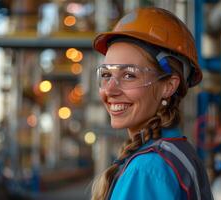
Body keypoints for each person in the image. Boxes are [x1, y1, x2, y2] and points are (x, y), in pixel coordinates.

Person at [91, 7, 213, 200]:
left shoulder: (147, 169)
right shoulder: (180, 153)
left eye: (129, 75)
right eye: (106, 75)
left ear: (169, 86)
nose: (110, 90)